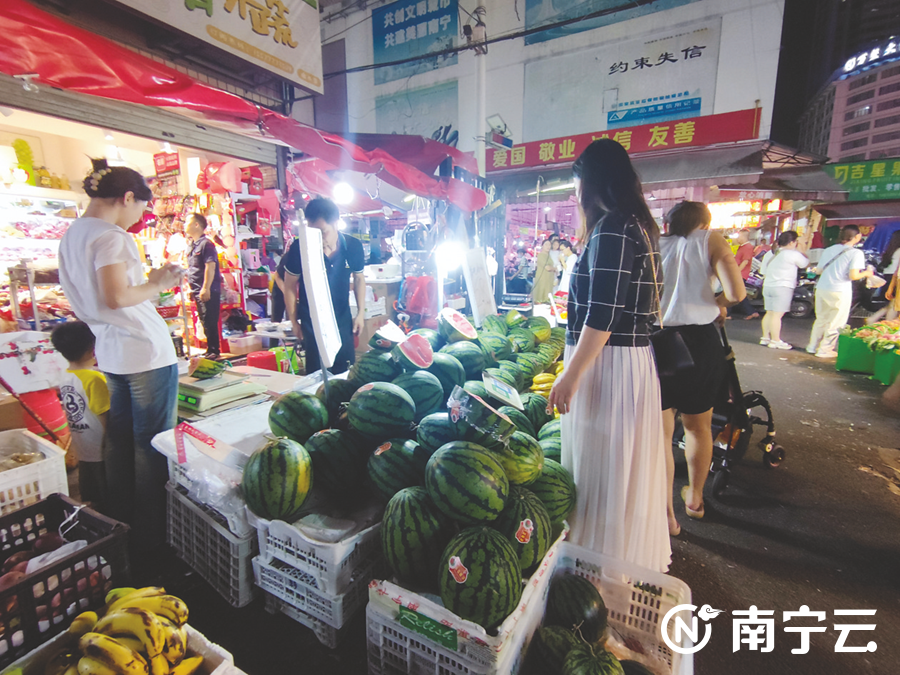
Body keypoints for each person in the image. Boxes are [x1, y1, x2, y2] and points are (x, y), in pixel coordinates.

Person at [548, 139, 670, 573]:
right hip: (620, 362)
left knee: (605, 472)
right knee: (615, 471)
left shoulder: (614, 228)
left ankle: (599, 569)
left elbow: (603, 315)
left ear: (593, 182)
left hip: (610, 365)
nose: (574, 193)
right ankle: (609, 564)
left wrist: (571, 375)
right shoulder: (633, 224)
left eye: (576, 182)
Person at [58, 158, 182, 554]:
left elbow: (99, 301)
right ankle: (151, 534)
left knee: (121, 440)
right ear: (127, 197)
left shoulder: (73, 235)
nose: (139, 217)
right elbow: (116, 296)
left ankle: (120, 521)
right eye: (141, 207)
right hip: (144, 350)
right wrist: (158, 283)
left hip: (111, 350)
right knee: (151, 445)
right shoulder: (111, 236)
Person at [657, 202, 746, 535]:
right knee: (698, 427)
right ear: (705, 221)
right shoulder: (712, 240)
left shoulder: (655, 243)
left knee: (662, 435)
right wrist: (718, 303)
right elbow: (737, 293)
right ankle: (694, 499)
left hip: (658, 340)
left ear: (668, 221)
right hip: (700, 342)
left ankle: (666, 514)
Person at [283, 198, 366, 375]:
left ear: (336, 223)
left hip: (342, 318)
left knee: (346, 371)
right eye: (313, 232)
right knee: (318, 373)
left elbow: (359, 279)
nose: (317, 239)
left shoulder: (352, 246)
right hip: (312, 321)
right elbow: (289, 285)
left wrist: (360, 313)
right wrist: (293, 321)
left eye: (322, 232)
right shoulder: (300, 247)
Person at [50, 321, 109, 509]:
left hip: (82, 444)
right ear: (93, 349)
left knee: (91, 488)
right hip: (101, 447)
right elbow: (104, 415)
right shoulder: (95, 378)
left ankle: (94, 512)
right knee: (107, 492)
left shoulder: (65, 376)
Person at [806, 225, 874, 358]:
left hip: (822, 288)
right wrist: (866, 273)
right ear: (857, 237)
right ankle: (825, 350)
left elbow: (819, 270)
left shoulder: (829, 250)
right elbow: (853, 276)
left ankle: (812, 346)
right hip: (839, 290)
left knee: (821, 319)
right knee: (836, 321)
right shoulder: (855, 253)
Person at [759, 231, 808, 350]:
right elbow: (804, 264)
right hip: (783, 287)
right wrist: (801, 250)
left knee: (769, 313)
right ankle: (775, 340)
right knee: (777, 315)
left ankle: (765, 337)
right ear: (792, 242)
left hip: (768, 286)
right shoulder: (792, 254)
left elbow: (762, 271)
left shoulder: (770, 254)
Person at [184, 214, 222, 358]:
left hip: (208, 289)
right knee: (204, 319)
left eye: (188, 221)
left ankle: (214, 351)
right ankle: (210, 350)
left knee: (209, 319)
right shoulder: (192, 246)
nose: (184, 224)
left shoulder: (206, 244)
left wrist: (206, 287)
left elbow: (210, 267)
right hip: (196, 289)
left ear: (196, 225)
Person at [866, 231, 900, 324]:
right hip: (895, 278)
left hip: (888, 277)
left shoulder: (891, 250)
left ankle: (873, 318)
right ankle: (888, 323)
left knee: (893, 303)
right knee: (894, 304)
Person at [729, 229, 760, 319]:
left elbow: (745, 261)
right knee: (738, 294)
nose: (737, 238)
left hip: (741, 274)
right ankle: (751, 312)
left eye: (739, 236)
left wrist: (736, 272)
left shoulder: (747, 247)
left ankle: (727, 313)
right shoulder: (742, 247)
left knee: (733, 293)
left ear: (743, 237)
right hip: (739, 274)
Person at [532, 239, 556, 304]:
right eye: (546, 244)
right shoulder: (540, 255)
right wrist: (555, 268)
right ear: (542, 246)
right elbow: (548, 268)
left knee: (548, 298)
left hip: (549, 280)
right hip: (542, 279)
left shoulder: (549, 256)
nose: (548, 246)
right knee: (541, 298)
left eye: (549, 245)